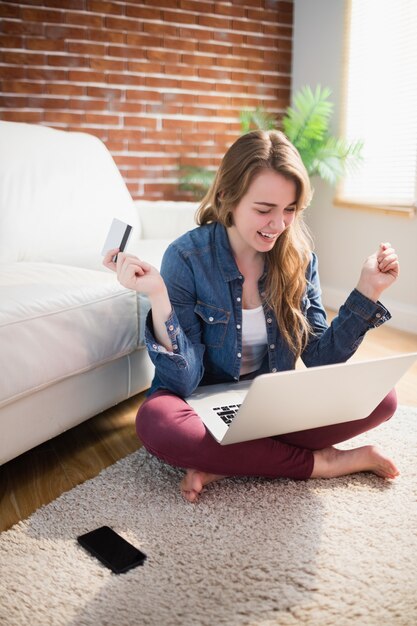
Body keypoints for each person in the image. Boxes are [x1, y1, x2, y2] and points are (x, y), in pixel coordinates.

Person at [103, 130, 400, 503]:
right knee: (156, 423)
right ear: (227, 196)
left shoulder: (299, 258)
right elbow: (181, 380)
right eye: (264, 210)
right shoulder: (186, 257)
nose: (278, 225)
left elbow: (320, 359)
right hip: (198, 400)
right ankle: (323, 464)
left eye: (290, 209)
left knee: (382, 397)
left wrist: (367, 291)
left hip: (266, 402)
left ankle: (226, 463)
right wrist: (158, 296)